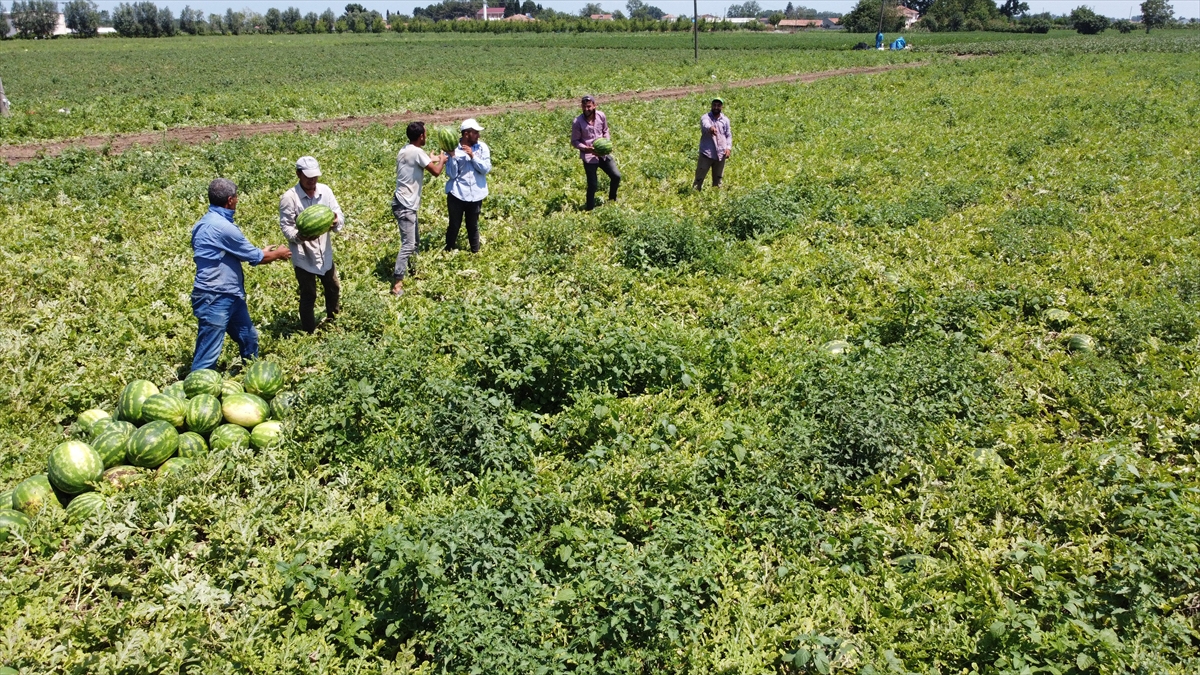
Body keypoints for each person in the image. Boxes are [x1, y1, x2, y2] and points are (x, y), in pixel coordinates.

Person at [190, 178, 291, 371]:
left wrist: (259, 251)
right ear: (230, 200)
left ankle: (250, 376)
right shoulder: (224, 228)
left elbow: (222, 252)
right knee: (208, 353)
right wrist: (278, 254)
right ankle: (197, 391)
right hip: (216, 296)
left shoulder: (203, 224)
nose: (237, 201)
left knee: (248, 337)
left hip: (230, 295)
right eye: (236, 197)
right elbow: (255, 258)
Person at [279, 156, 345, 333]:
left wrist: (336, 221)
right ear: (298, 174)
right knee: (309, 295)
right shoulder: (289, 198)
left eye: (315, 177)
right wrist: (299, 236)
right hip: (303, 256)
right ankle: (309, 331)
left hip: (325, 252)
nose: (312, 181)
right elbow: (286, 226)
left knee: (333, 288)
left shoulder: (325, 191)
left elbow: (338, 214)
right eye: (308, 177)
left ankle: (333, 321)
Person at [391, 121, 447, 296]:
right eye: (426, 133)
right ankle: (397, 285)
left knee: (415, 241)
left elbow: (421, 162)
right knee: (408, 244)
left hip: (402, 202)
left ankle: (414, 271)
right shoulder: (417, 152)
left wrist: (430, 158)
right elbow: (436, 172)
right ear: (421, 136)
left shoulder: (405, 150)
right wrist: (443, 160)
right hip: (406, 205)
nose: (427, 136)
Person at [444, 118, 491, 253]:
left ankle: (475, 252)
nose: (478, 135)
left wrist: (473, 157)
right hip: (457, 193)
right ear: (466, 134)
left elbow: (486, 169)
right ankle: (448, 251)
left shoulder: (482, 148)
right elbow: (452, 174)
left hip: (476, 194)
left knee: (473, 225)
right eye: (475, 133)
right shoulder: (452, 148)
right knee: (454, 225)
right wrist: (452, 156)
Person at [571, 94, 620, 210]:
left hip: (603, 154)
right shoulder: (577, 122)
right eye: (584, 107)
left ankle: (612, 199)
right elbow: (574, 141)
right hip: (589, 157)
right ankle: (590, 208)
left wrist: (606, 143)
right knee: (593, 185)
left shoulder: (601, 116)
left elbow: (605, 130)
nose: (586, 109)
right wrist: (586, 148)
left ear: (594, 105)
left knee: (616, 176)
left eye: (589, 106)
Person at [694, 98, 732, 191]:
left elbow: (728, 135)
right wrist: (711, 128)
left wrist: (728, 148)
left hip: (720, 154)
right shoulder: (706, 117)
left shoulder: (725, 120)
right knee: (699, 178)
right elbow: (705, 124)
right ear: (711, 106)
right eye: (714, 105)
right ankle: (694, 196)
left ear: (721, 107)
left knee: (718, 180)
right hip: (707, 154)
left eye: (718, 105)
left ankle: (715, 197)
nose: (716, 107)